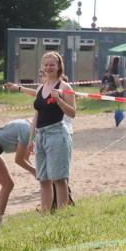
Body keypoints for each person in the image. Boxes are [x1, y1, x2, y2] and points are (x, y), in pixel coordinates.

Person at [30, 52, 76, 213]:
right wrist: (31, 139)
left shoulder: (65, 87)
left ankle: (62, 214)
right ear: (42, 67)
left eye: (52, 64)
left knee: (59, 178)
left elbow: (72, 113)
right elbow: (37, 114)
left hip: (57, 134)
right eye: (46, 64)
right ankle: (45, 214)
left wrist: (59, 100)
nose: (49, 67)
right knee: (43, 179)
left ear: (59, 67)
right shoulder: (40, 88)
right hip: (41, 136)